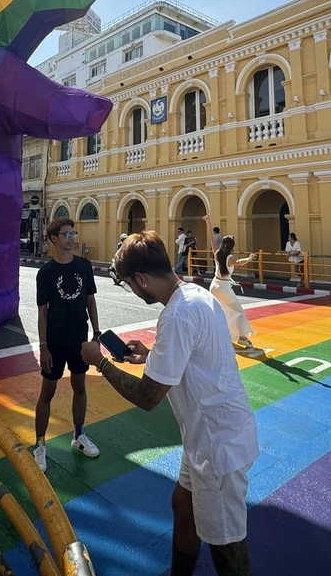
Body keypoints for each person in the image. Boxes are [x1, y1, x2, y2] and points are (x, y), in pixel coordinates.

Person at [84, 232, 258, 576]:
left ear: (142, 279)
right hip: (207, 437)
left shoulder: (176, 315)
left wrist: (100, 362)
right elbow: (196, 352)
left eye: (130, 285)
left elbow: (148, 397)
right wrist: (152, 354)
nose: (133, 291)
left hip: (217, 445)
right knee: (183, 505)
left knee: (226, 545)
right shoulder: (196, 294)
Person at [34, 217, 102, 472]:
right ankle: (40, 445)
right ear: (54, 238)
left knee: (80, 387)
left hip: (79, 339)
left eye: (73, 234)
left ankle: (79, 436)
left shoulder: (84, 266)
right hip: (54, 341)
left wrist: (96, 333)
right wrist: (43, 347)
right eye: (66, 235)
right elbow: (42, 313)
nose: (72, 239)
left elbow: (90, 301)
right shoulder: (46, 273)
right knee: (47, 393)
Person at [204, 214, 257, 350]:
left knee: (218, 311)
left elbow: (211, 238)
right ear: (232, 246)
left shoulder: (217, 254)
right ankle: (242, 337)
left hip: (214, 285)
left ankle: (212, 334)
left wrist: (208, 222)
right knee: (238, 310)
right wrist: (250, 258)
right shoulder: (229, 257)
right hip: (224, 288)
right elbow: (239, 263)